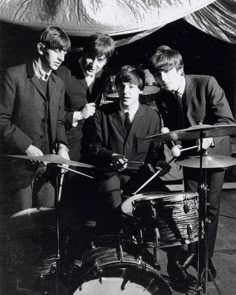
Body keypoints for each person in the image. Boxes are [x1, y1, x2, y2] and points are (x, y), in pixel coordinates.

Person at [148, 47, 235, 286]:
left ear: (180, 70)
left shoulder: (207, 83)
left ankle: (205, 259)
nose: (162, 78)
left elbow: (227, 121)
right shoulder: (162, 95)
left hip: (214, 154)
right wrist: (171, 140)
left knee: (211, 209)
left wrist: (210, 136)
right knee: (193, 207)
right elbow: (174, 129)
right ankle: (195, 253)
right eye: (158, 73)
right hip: (190, 157)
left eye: (167, 72)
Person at [86, 65, 170, 235]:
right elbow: (93, 146)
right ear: (116, 88)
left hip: (140, 174)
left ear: (140, 90)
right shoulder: (102, 113)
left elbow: (156, 153)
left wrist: (160, 163)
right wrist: (111, 155)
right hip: (110, 172)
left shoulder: (152, 116)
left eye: (131, 87)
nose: (126, 91)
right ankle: (117, 250)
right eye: (121, 86)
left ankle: (170, 254)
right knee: (114, 203)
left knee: (167, 203)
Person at [0, 26, 71, 215]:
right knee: (22, 227)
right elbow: (2, 120)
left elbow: (58, 122)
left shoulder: (58, 84)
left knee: (46, 228)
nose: (62, 57)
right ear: (41, 48)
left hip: (48, 172)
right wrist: (27, 146)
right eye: (57, 50)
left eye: (64, 52)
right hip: (18, 170)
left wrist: (63, 147)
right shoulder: (13, 76)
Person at [56, 33, 116, 162]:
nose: (94, 65)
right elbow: (49, 113)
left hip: (93, 142)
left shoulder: (104, 77)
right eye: (90, 57)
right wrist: (78, 115)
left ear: (106, 60)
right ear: (84, 53)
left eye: (100, 60)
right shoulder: (62, 73)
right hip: (67, 141)